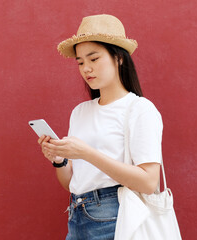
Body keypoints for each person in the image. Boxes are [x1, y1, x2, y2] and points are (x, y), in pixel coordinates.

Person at [37, 14, 163, 240]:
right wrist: (60, 160)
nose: (86, 69)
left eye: (94, 59)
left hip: (116, 220)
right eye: (81, 62)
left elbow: (148, 181)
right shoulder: (80, 112)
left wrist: (86, 153)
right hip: (77, 217)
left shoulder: (139, 109)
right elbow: (73, 183)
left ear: (119, 58)